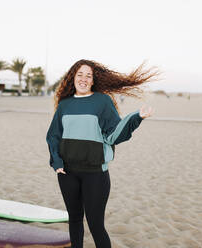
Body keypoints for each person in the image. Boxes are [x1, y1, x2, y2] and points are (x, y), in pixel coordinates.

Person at [46, 59, 158, 248]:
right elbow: (53, 136)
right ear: (72, 78)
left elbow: (114, 135)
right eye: (79, 74)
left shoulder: (102, 101)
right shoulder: (64, 105)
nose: (83, 79)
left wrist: (136, 118)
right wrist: (57, 163)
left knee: (96, 224)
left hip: (95, 174)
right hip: (67, 174)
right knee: (74, 220)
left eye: (88, 75)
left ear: (93, 80)